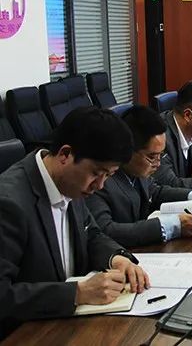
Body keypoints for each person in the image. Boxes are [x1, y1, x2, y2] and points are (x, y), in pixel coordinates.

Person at [0, 107, 149, 338]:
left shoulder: (71, 182)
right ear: (65, 154)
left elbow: (91, 234)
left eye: (109, 176)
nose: (100, 185)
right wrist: (78, 293)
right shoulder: (9, 203)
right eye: (97, 173)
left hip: (69, 324)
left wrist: (116, 258)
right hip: (26, 334)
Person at [86, 106, 192, 247]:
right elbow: (105, 231)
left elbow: (155, 192)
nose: (158, 163)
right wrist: (170, 226)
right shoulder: (99, 180)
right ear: (128, 150)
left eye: (161, 155)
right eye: (152, 157)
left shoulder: (137, 170)